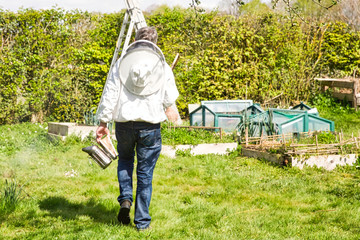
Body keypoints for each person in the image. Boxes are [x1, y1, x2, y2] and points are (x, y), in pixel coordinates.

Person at [95, 26, 179, 231]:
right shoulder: (162, 66)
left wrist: (103, 123)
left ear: (135, 41)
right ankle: (142, 223)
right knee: (145, 174)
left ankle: (125, 200)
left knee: (124, 160)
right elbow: (169, 98)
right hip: (150, 126)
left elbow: (110, 93)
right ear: (154, 43)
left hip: (124, 125)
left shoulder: (121, 64)